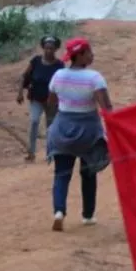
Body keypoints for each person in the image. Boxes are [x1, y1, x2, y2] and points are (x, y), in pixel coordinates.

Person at [45, 37, 114, 231]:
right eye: (89, 52)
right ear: (80, 55)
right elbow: (106, 107)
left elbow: (51, 102)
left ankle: (59, 211)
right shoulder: (94, 78)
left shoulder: (58, 75)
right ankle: (88, 215)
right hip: (88, 132)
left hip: (62, 129)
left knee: (61, 173)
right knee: (88, 173)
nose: (92, 55)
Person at [18, 36, 65, 162]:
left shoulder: (59, 65)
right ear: (43, 48)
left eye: (51, 48)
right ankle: (31, 152)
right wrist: (20, 93)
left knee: (50, 127)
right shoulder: (36, 61)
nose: (48, 50)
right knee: (34, 122)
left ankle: (50, 154)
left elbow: (63, 83)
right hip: (36, 98)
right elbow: (24, 76)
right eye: (46, 48)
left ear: (55, 49)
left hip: (52, 101)